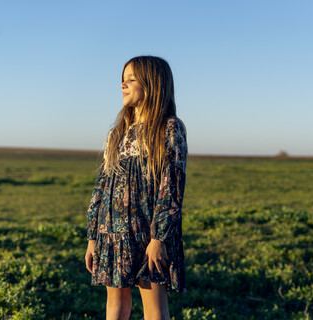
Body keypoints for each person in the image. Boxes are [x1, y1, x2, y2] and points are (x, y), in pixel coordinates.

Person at [84, 56, 188, 320]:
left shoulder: (168, 128)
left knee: (154, 308)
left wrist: (159, 238)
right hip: (113, 232)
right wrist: (93, 236)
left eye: (131, 79)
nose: (123, 84)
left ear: (153, 85)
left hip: (148, 234)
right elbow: (101, 187)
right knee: (116, 306)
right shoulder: (117, 133)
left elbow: (171, 189)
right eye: (122, 79)